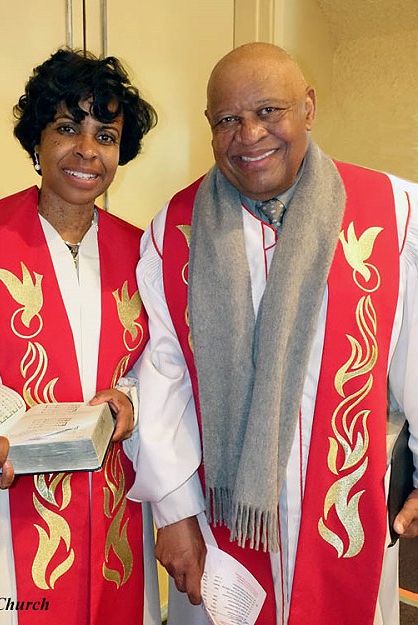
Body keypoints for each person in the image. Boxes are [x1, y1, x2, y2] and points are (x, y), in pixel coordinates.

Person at [128, 42, 418, 625]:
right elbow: (163, 381)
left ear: (308, 107)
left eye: (269, 111)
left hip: (344, 514)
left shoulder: (395, 212)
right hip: (221, 528)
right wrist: (175, 513)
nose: (250, 134)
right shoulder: (173, 232)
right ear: (210, 128)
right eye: (228, 119)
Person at [0, 48, 159, 625]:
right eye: (67, 128)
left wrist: (132, 400)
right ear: (37, 142)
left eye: (106, 134)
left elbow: (166, 370)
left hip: (111, 517)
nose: (87, 150)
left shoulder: (144, 254)